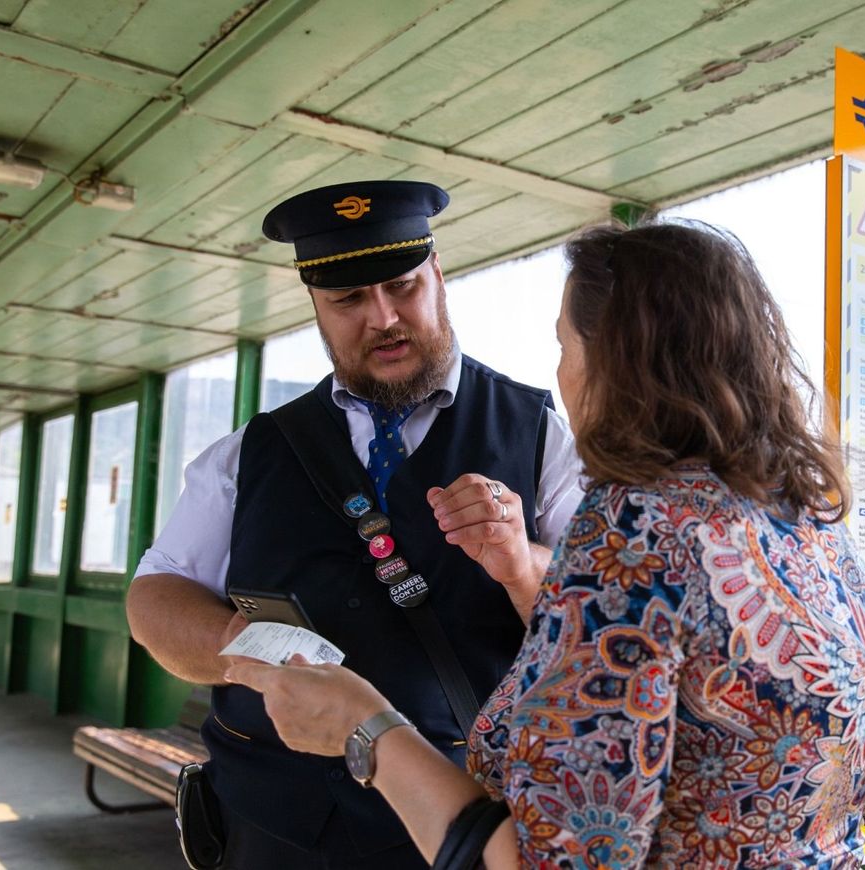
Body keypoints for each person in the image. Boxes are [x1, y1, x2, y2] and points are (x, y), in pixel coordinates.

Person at [227, 219, 865, 868]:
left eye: (565, 347)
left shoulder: (635, 529)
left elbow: (552, 857)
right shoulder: (817, 528)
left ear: (617, 364)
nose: (561, 373)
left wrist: (366, 726)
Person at [126, 180, 584, 869]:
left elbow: (601, 620)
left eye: (402, 286)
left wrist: (524, 562)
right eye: (348, 300)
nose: (382, 317)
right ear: (315, 305)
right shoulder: (247, 453)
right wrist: (246, 645)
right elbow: (155, 595)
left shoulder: (541, 438)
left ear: (438, 276)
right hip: (268, 823)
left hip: (458, 821)